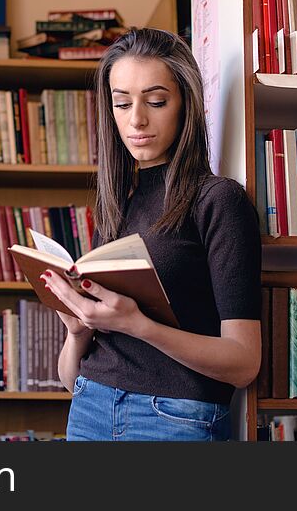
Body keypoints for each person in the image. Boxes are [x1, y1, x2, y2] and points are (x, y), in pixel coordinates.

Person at [42, 28, 261, 441]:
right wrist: (77, 330)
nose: (136, 119)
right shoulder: (115, 204)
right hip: (89, 408)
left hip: (174, 419)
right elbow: (71, 379)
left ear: (184, 104)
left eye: (156, 101)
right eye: (122, 103)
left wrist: (137, 325)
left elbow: (244, 362)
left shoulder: (217, 201)